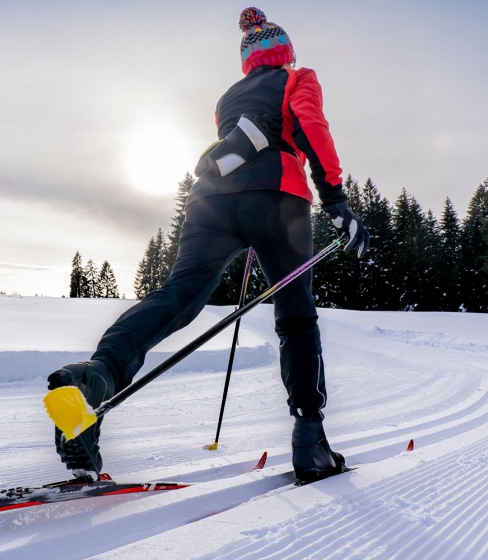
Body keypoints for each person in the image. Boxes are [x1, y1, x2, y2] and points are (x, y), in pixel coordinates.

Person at [47, 7, 369, 484]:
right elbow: (309, 126)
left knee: (179, 296)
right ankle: (310, 439)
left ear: (247, 60)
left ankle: (97, 376)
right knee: (296, 317)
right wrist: (337, 201)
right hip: (278, 201)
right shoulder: (297, 78)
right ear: (285, 52)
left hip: (211, 201)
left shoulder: (227, 98)